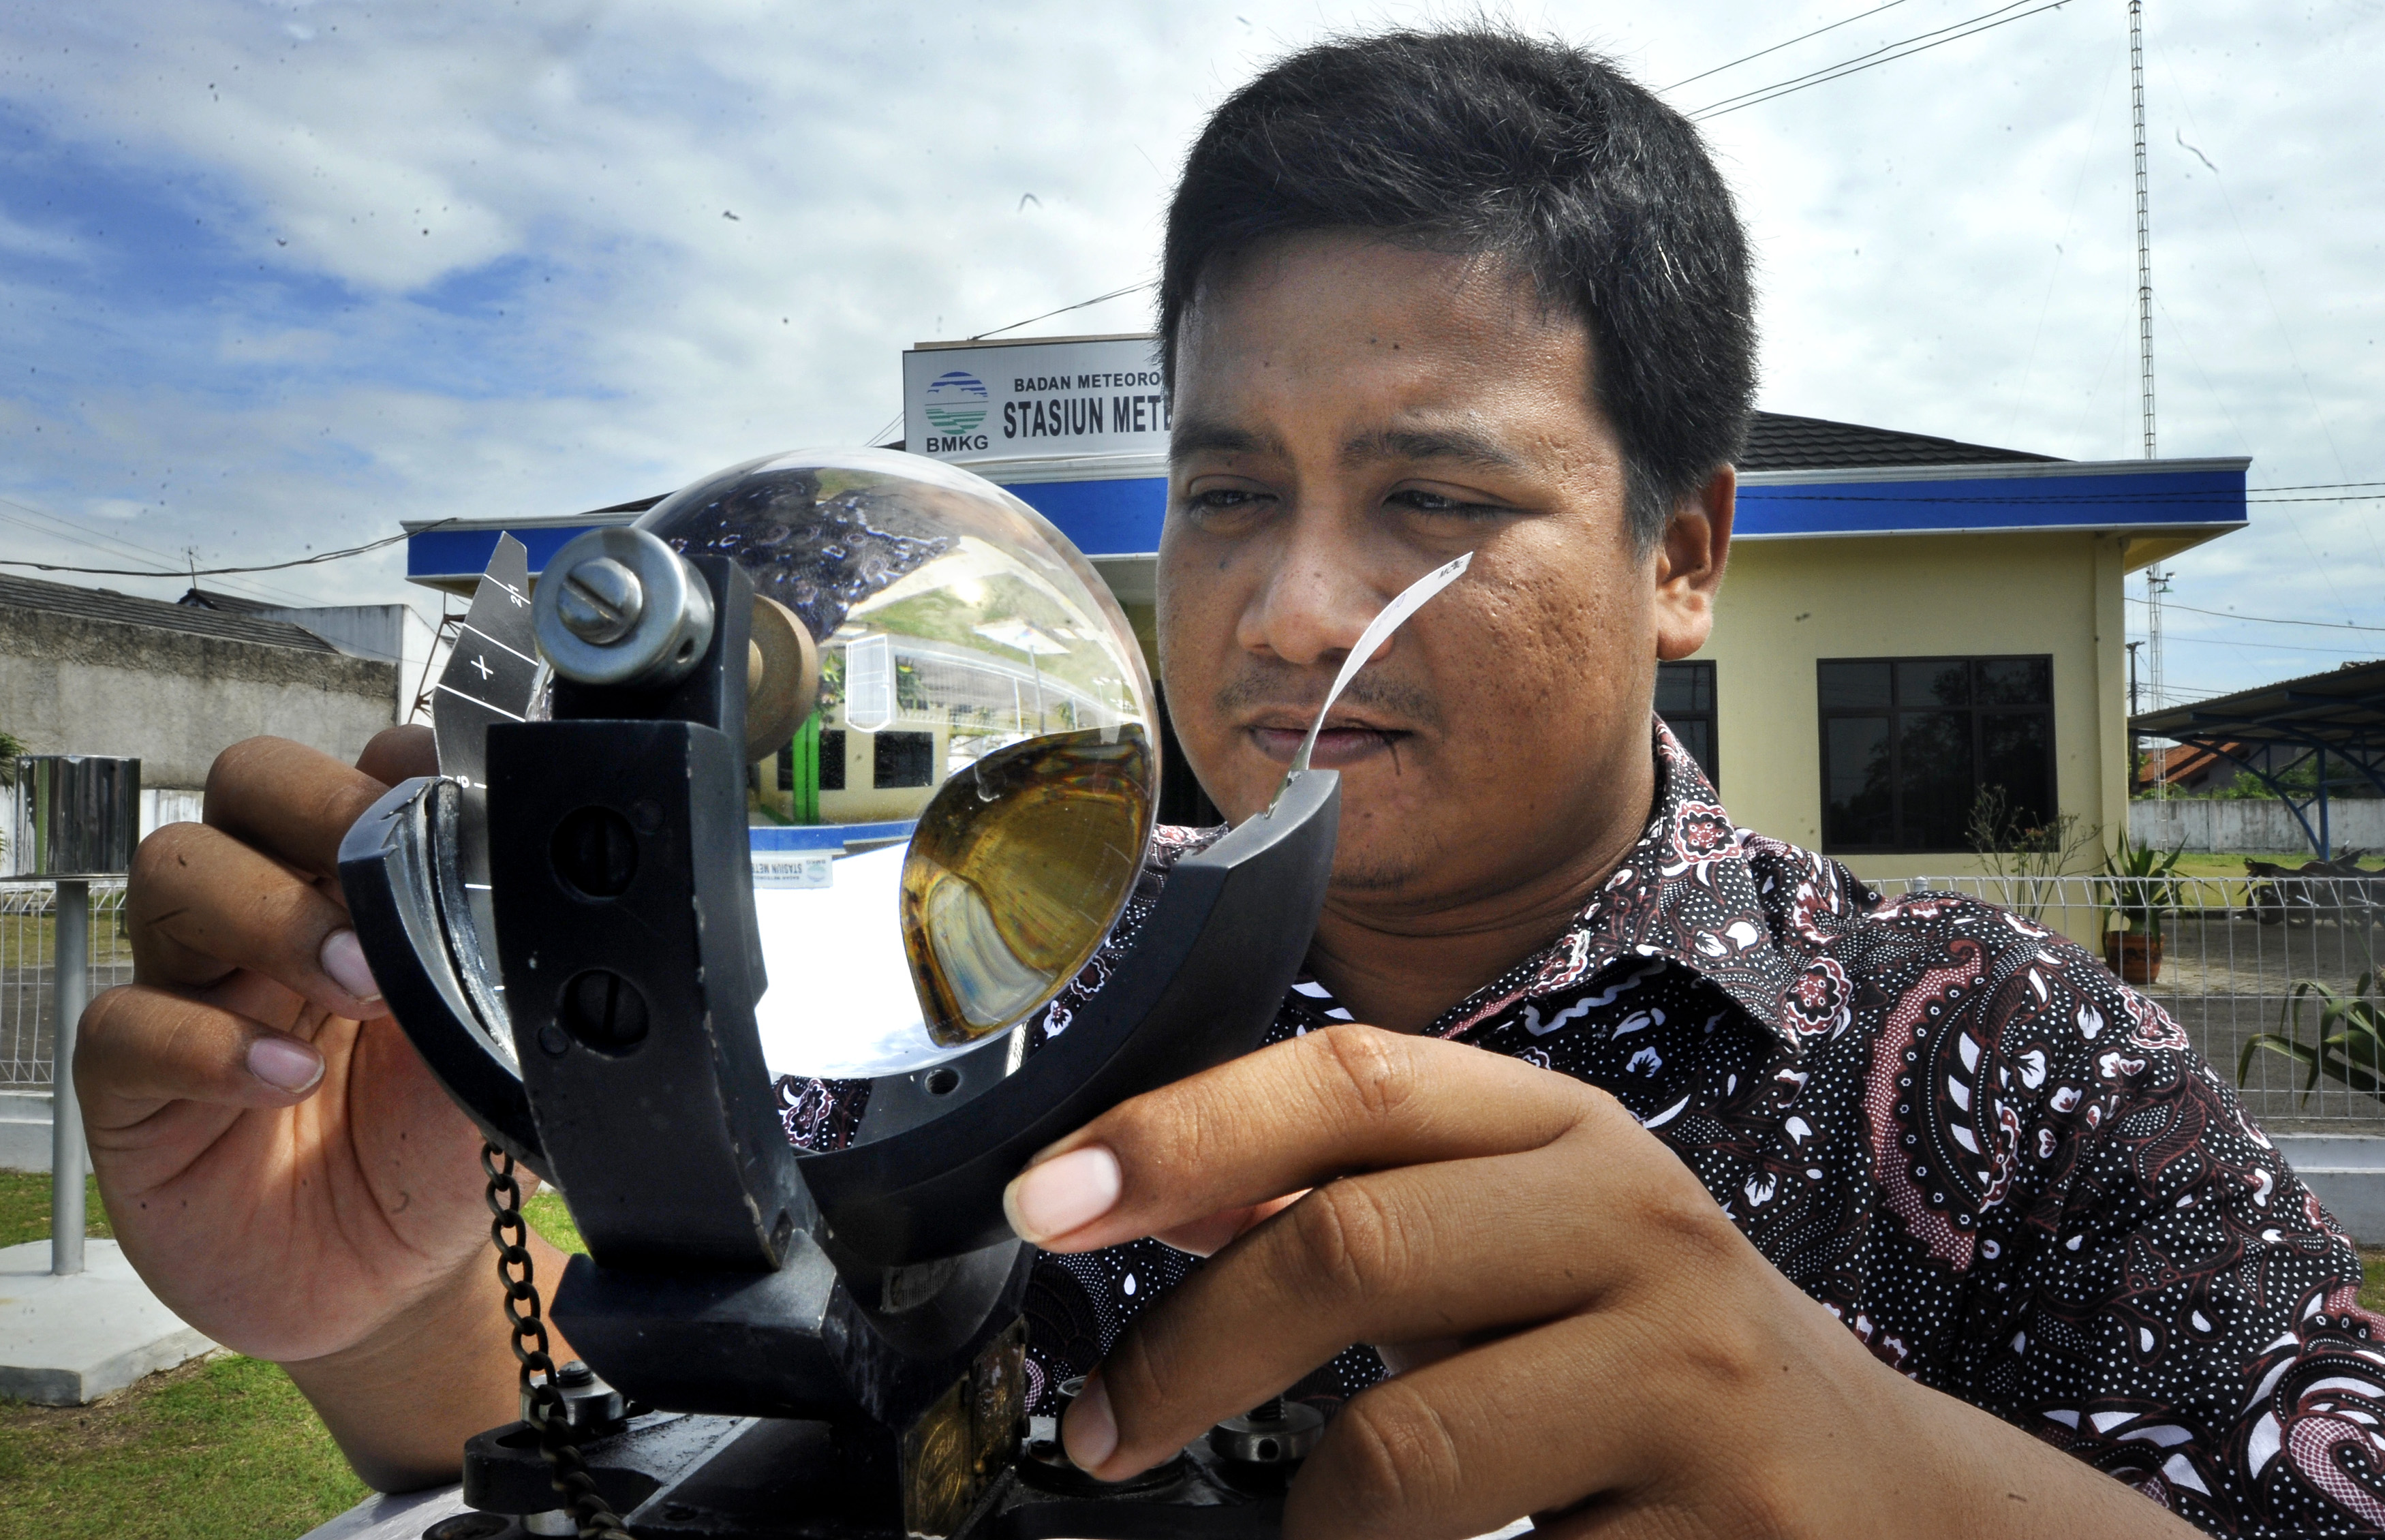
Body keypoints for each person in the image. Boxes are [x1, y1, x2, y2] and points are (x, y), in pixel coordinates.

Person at [75, 27, 2382, 1540]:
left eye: (1428, 500)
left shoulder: (2012, 1061)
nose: (1287, 611)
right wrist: (382, 1300)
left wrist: (1882, 1470)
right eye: (1220, 494)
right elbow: (747, 1447)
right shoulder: (955, 962)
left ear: (1681, 551)